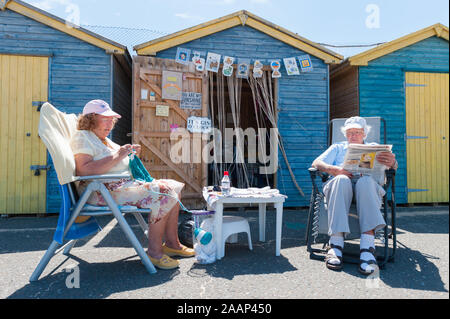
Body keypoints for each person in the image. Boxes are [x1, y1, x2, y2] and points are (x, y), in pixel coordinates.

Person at [70, 99, 194, 270]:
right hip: (101, 192)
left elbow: (115, 162)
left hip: (118, 187)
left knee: (174, 186)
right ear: (91, 119)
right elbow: (83, 170)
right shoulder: (83, 137)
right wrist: (119, 155)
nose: (110, 123)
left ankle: (173, 244)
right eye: (104, 119)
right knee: (164, 192)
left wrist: (128, 155)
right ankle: (154, 252)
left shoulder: (104, 140)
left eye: (111, 120)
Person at [311, 116, 397, 275]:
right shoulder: (337, 147)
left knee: (365, 182)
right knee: (342, 180)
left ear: (364, 134)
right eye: (350, 132)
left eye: (357, 132)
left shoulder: (374, 148)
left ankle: (367, 248)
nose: (353, 136)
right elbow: (316, 163)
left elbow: (393, 168)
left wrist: (392, 162)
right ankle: (336, 245)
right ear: (345, 134)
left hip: (367, 190)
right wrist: (334, 170)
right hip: (340, 189)